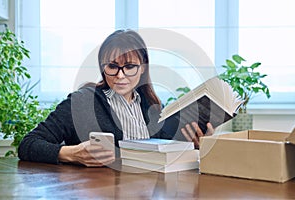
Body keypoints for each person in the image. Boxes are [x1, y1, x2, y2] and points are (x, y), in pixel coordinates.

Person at [18, 30, 214, 167]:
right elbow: (28, 144)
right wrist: (70, 154)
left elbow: (161, 156)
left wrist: (192, 144)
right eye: (112, 67)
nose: (120, 76)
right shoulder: (81, 103)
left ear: (143, 67)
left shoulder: (153, 107)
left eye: (129, 67)